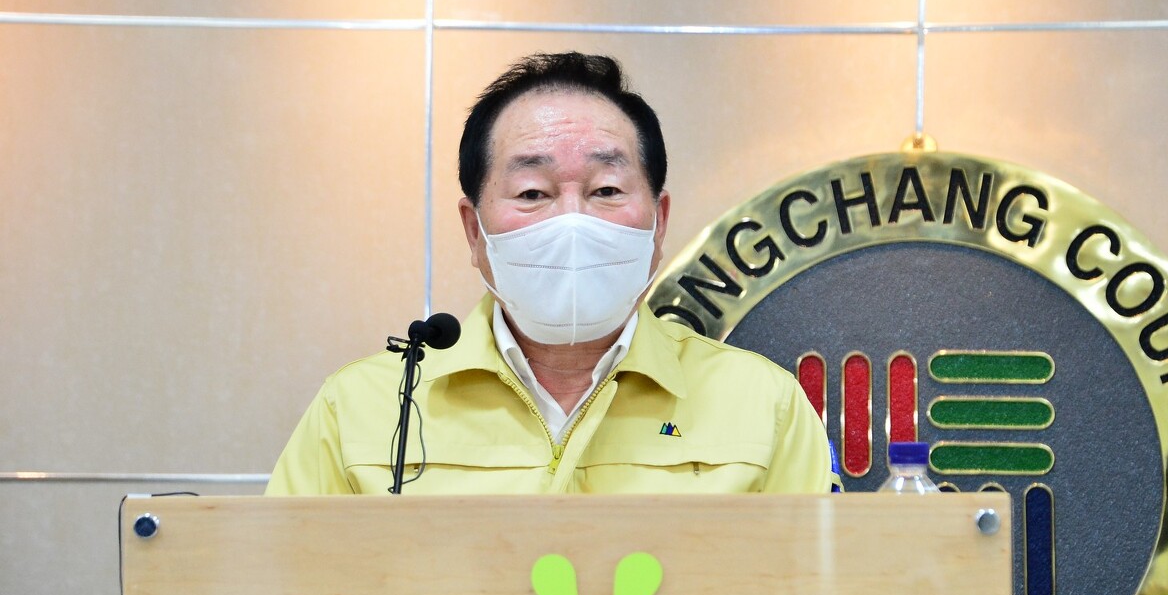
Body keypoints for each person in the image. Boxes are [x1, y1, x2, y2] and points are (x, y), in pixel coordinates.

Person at [266, 52, 833, 495]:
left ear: (659, 223)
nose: (571, 222)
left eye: (606, 190)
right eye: (532, 192)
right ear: (474, 230)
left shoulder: (765, 406)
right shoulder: (361, 409)